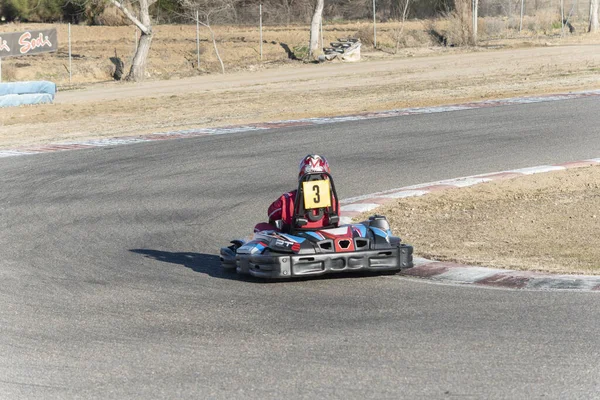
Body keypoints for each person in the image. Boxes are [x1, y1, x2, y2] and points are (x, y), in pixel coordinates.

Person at [254, 154, 339, 233]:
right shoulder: (332, 199)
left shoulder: (288, 199)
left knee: (260, 227)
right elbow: (337, 218)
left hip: (295, 237)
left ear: (302, 175)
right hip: (326, 236)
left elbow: (271, 213)